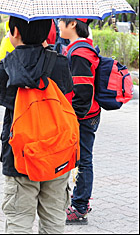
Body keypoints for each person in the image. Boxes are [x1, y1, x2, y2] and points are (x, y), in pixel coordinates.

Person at [0, 16, 73, 233]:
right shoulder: (60, 62)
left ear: (15, 32)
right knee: (54, 218)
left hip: (20, 155)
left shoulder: (7, 65)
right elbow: (68, 95)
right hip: (57, 151)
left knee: (19, 219)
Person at [59, 18, 100, 225]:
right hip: (85, 115)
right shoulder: (76, 48)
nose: (58, 24)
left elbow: (83, 92)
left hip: (84, 117)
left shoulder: (80, 53)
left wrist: (73, 117)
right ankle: (78, 201)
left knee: (83, 160)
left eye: (61, 20)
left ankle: (80, 207)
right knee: (80, 158)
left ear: (72, 24)